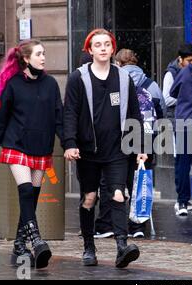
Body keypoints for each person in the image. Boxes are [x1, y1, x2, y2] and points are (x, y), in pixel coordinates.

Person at [63, 28, 147, 268]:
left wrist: (140, 145)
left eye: (106, 44)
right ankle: (89, 247)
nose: (102, 48)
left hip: (118, 150)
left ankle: (122, 246)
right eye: (97, 45)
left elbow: (134, 113)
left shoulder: (123, 78)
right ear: (90, 50)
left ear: (112, 49)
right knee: (89, 198)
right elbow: (69, 113)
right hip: (88, 152)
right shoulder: (77, 78)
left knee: (119, 194)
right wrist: (70, 143)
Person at [0, 39, 63, 269]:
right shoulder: (14, 85)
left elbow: (59, 117)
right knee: (26, 190)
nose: (43, 57)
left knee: (31, 198)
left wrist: (69, 143)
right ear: (26, 59)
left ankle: (19, 246)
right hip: (16, 145)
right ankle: (36, 241)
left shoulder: (51, 84)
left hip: (41, 148)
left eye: (44, 53)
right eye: (38, 54)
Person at [115, 48, 165, 238]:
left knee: (120, 179)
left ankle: (117, 225)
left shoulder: (115, 82)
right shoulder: (150, 84)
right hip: (146, 138)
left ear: (118, 63)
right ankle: (138, 226)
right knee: (142, 180)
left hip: (121, 137)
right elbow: (161, 111)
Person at [170, 62, 192, 217]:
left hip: (184, 123)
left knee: (182, 164)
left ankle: (183, 202)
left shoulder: (184, 72)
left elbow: (172, 92)